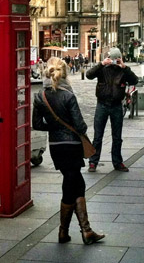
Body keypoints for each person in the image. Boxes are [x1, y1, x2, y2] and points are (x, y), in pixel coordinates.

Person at [32, 57, 105, 245]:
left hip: (56, 147)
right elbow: (81, 126)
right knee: (73, 185)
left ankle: (80, 231)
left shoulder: (40, 96)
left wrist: (55, 128)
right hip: (72, 146)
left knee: (76, 184)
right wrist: (68, 128)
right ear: (65, 73)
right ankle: (71, 231)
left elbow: (37, 124)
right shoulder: (69, 95)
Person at [85, 47, 138, 173]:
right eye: (112, 59)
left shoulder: (123, 70)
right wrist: (101, 64)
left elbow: (135, 80)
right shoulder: (103, 68)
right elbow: (88, 75)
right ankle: (93, 162)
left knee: (117, 137)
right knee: (98, 136)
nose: (114, 61)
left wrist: (124, 67)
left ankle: (117, 162)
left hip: (116, 105)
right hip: (102, 104)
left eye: (117, 59)